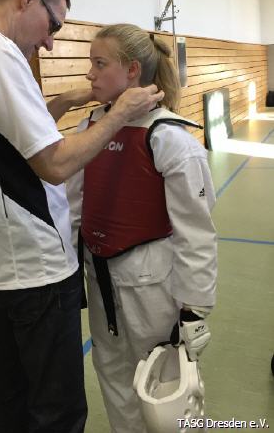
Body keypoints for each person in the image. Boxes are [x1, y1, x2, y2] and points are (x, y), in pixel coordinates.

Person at [0, 0, 164, 433]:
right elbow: (54, 164)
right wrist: (119, 113)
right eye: (53, 25)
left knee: (13, 398)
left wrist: (62, 102)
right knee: (57, 411)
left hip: (1, 261)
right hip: (36, 263)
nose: (51, 42)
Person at [67, 23, 218, 433]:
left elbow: (196, 234)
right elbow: (74, 206)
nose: (90, 74)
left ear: (132, 70)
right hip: (100, 275)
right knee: (112, 371)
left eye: (100, 64)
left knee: (162, 383)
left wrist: (194, 307)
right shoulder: (90, 128)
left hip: (153, 283)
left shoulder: (169, 138)